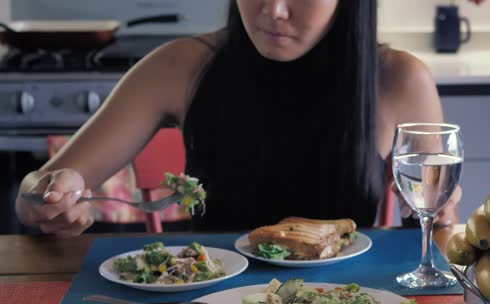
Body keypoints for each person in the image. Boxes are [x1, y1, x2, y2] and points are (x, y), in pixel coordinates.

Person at [15, 0, 462, 237]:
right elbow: (33, 194)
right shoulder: (180, 66)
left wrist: (440, 211)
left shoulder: (399, 79)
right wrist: (50, 197)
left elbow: (435, 229)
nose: (274, 10)